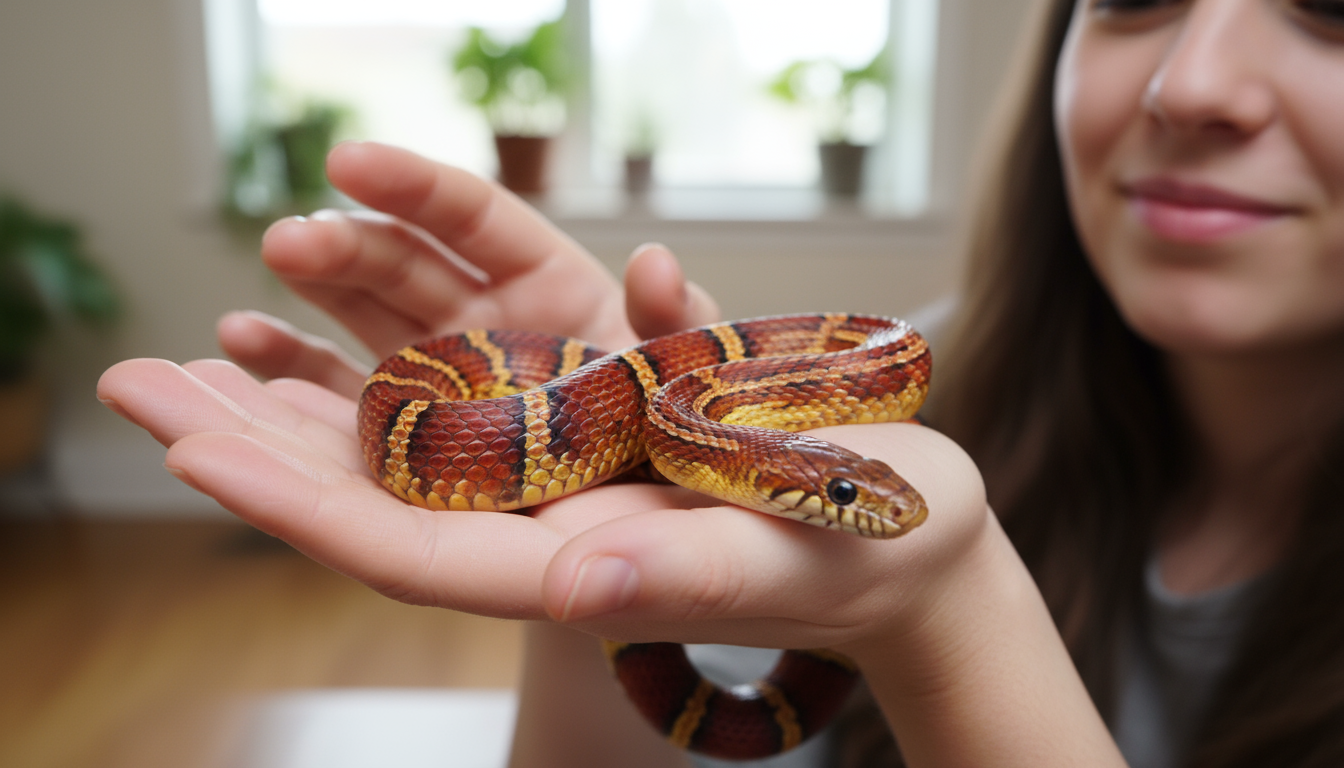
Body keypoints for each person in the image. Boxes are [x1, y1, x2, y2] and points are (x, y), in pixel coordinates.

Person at [97, 0, 1344, 764]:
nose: (1194, 84)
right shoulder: (921, 364)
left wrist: (953, 618)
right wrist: (589, 538)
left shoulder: (883, 394)